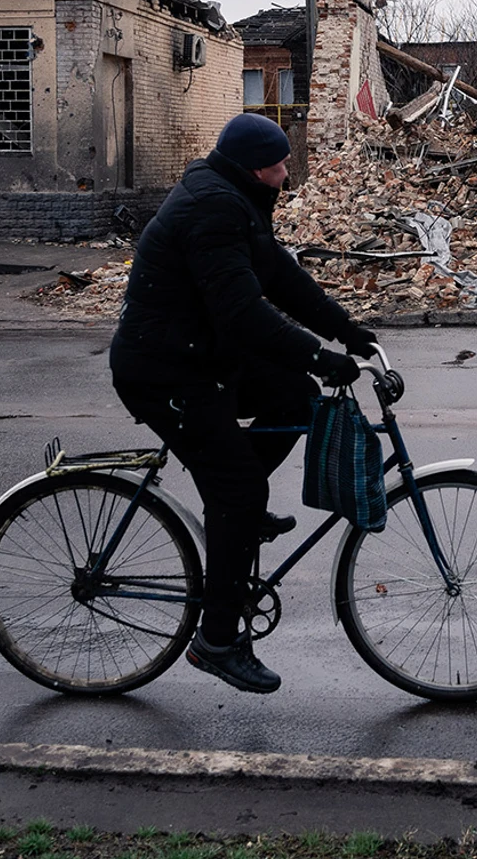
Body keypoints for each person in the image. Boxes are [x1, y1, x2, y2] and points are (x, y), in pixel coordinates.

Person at [109, 112, 376, 694]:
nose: (287, 175)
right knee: (239, 489)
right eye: (280, 165)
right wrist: (320, 355)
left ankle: (236, 517)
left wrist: (347, 331)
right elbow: (244, 314)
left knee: (296, 398)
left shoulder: (234, 200)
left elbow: (280, 277)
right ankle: (217, 641)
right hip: (163, 371)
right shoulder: (213, 209)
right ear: (256, 168)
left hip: (199, 357)